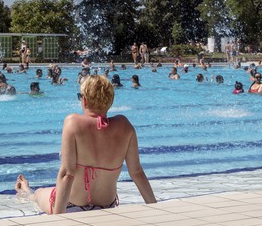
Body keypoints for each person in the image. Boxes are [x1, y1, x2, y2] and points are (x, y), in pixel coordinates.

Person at [14, 75, 156, 214]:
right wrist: (155, 207)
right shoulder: (124, 126)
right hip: (107, 205)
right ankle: (28, 191)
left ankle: (27, 191)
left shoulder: (73, 123)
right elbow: (137, 173)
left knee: (39, 194)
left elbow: (67, 174)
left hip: (71, 205)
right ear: (110, 101)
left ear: (85, 100)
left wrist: (58, 219)